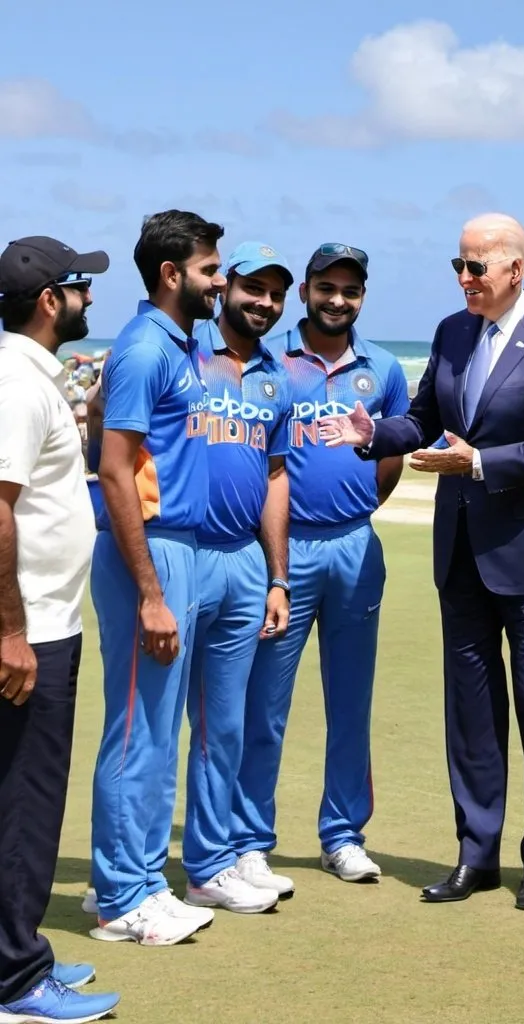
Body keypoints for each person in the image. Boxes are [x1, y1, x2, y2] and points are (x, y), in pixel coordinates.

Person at [318, 213, 524, 910]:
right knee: (470, 709)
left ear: (514, 271)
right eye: (458, 267)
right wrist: (374, 434)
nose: (464, 279)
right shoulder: (450, 332)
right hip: (461, 550)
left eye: (476, 267)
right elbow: (421, 418)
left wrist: (480, 461)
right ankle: (477, 853)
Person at [242, 243, 408, 885]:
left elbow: (391, 449)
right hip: (283, 553)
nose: (338, 300)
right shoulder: (271, 360)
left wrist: (362, 503)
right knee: (266, 704)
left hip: (355, 547)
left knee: (350, 701)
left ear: (362, 297)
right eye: (326, 287)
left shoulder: (385, 367)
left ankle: (342, 834)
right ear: (307, 290)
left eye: (350, 290)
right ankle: (251, 839)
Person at [89, 210, 225, 946]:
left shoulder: (184, 341)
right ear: (172, 274)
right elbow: (113, 469)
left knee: (159, 730)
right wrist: (149, 592)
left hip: (184, 547)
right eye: (210, 270)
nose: (221, 281)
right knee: (138, 728)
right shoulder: (145, 348)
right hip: (150, 552)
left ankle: (140, 878)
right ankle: (118, 898)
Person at [0, 237, 121, 1022]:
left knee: (20, 799)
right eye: (80, 287)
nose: (89, 300)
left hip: (43, 620)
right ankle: (13, 981)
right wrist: (10, 631)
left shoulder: (32, 376)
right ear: (51, 300)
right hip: (29, 629)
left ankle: (20, 954)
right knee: (28, 803)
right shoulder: (18, 380)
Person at [180, 243, 295, 912]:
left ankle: (214, 860)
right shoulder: (183, 355)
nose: (265, 303)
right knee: (155, 728)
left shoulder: (277, 376)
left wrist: (278, 578)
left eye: (276, 294)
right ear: (226, 287)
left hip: (246, 564)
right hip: (180, 553)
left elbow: (277, 477)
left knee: (224, 728)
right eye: (254, 288)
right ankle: (125, 872)